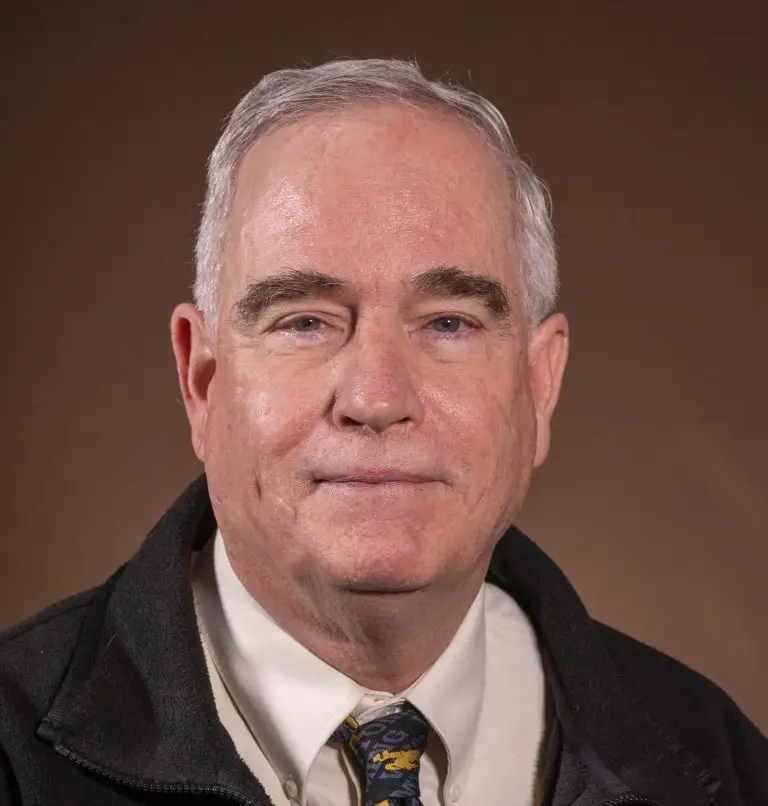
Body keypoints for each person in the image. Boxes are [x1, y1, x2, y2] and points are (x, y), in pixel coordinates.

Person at [0, 58, 766, 806]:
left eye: (449, 323)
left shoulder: (717, 762)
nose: (375, 397)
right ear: (202, 380)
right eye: (304, 320)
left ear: (539, 384)